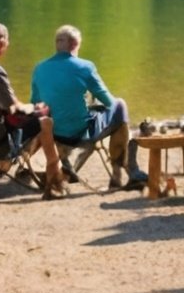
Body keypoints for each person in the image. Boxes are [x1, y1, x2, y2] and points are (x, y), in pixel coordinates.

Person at [30, 25, 148, 190]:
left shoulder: (39, 68)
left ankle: (67, 165)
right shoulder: (85, 67)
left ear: (57, 44)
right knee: (120, 105)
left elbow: (36, 103)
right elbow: (108, 101)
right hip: (80, 133)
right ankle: (118, 175)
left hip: (53, 132)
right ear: (74, 44)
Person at [0, 20, 68, 199]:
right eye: (6, 40)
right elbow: (12, 110)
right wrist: (34, 107)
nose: (7, 45)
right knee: (46, 118)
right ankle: (53, 179)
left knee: (37, 112)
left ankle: (22, 165)